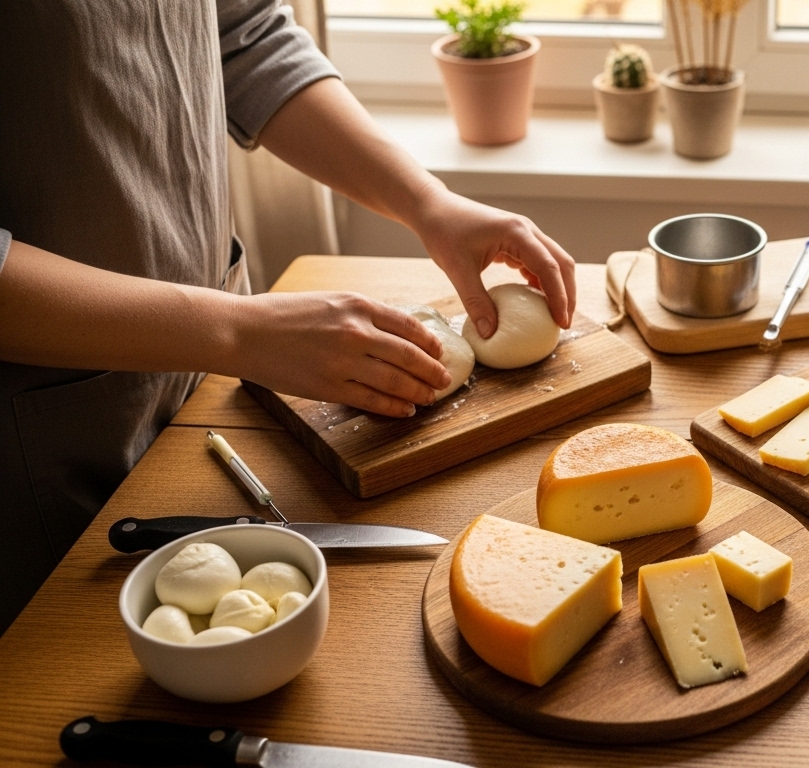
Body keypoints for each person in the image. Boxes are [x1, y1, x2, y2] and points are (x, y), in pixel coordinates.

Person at [0, 0, 576, 633]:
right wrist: (237, 331)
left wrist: (426, 200)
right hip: (47, 438)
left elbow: (245, 36)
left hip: (206, 385)